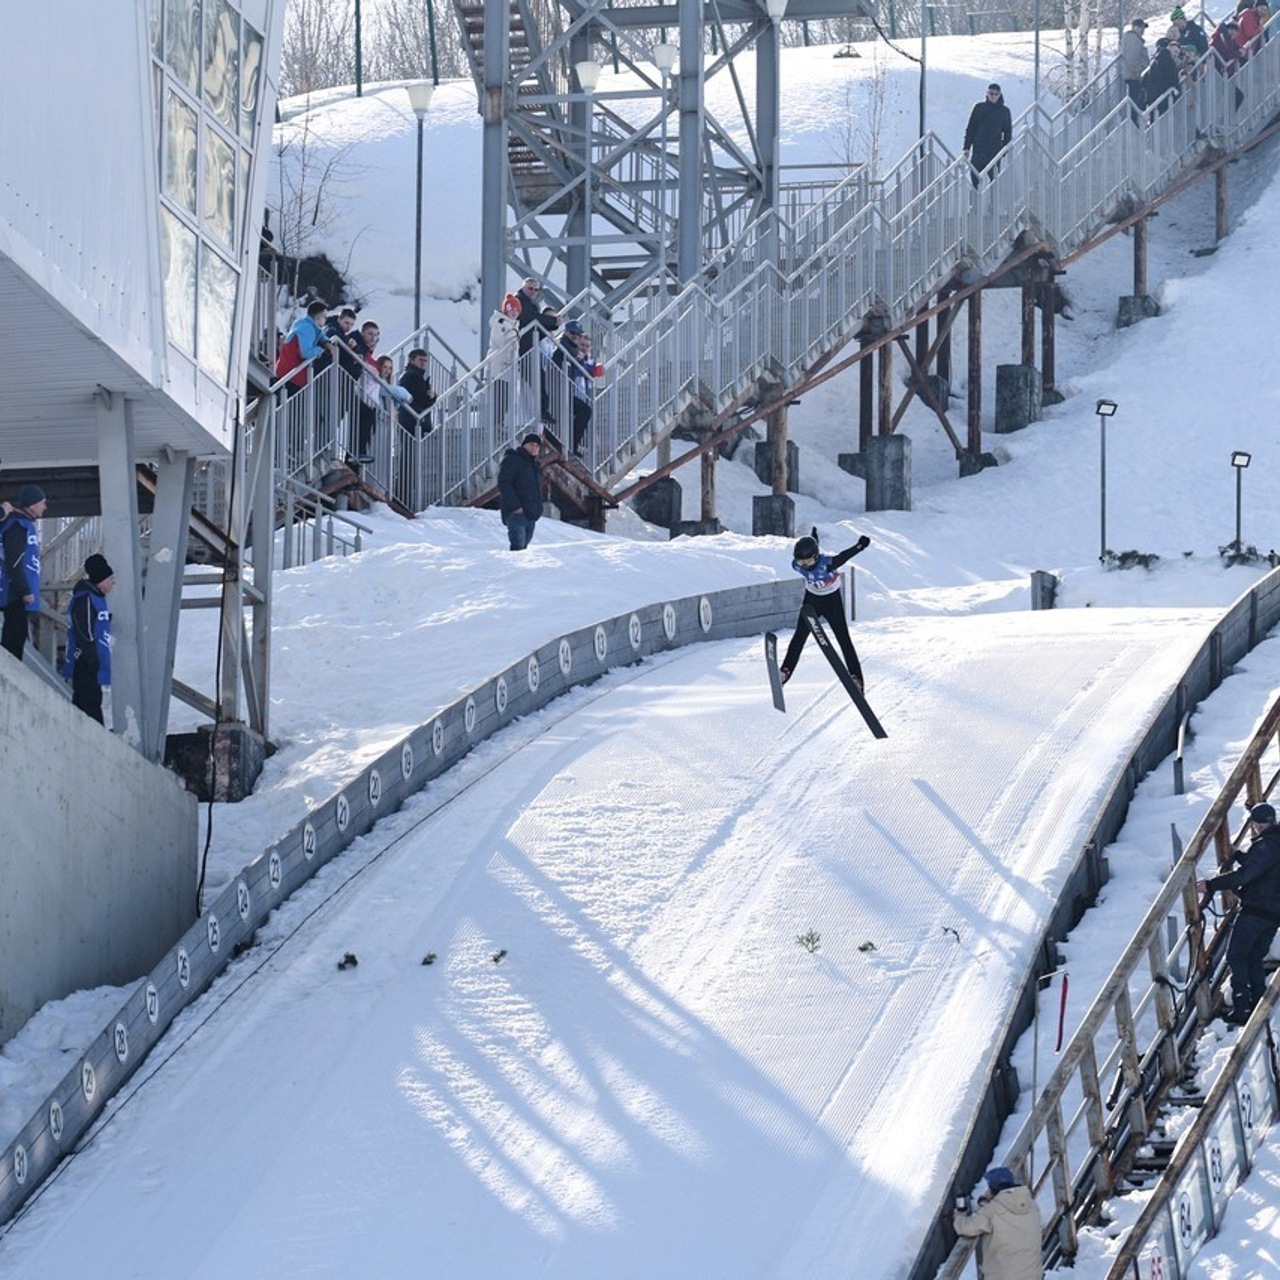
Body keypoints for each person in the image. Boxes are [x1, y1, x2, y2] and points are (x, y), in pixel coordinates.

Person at [1197, 803, 1280, 1025]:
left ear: (1256, 825)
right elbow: (1264, 868)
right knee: (1254, 958)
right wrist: (1241, 856)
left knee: (1236, 956)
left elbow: (1246, 875)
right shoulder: (1275, 844)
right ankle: (1258, 1004)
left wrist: (1210, 885)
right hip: (1273, 915)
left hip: (1255, 911)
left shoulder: (1266, 845)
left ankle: (1243, 1006)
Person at [779, 527, 871, 690]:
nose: (805, 566)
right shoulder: (796, 564)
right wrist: (813, 538)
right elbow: (808, 553)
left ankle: (856, 677)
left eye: (808, 562)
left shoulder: (826, 564)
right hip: (812, 599)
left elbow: (843, 557)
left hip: (832, 601)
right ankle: (786, 671)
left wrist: (860, 546)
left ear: (816, 557)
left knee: (844, 639)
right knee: (799, 637)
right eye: (802, 562)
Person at [953, 1166, 1043, 1280]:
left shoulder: (992, 1211)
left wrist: (959, 1217)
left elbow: (966, 1227)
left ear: (992, 1190)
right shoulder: (1032, 1206)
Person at [64, 553, 114, 724]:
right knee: (89, 705)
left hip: (93, 660)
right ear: (101, 580)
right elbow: (84, 629)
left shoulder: (97, 598)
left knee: (88, 703)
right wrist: (91, 656)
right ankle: (97, 745)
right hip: (86, 661)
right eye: (110, 578)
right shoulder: (85, 597)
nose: (113, 582)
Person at [0, 484, 48, 662]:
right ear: (33, 504)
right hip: (15, 594)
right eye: (43, 503)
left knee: (18, 638)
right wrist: (25, 591)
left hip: (18, 592)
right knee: (14, 640)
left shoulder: (25, 524)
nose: (45, 507)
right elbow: (15, 560)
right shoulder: (18, 524)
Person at [275, 300, 334, 398]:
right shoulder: (307, 328)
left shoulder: (305, 324)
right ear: (318, 317)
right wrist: (322, 350)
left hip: (290, 374)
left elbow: (320, 335)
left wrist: (327, 342)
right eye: (325, 317)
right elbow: (305, 352)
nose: (325, 320)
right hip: (291, 376)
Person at [497, 433, 544, 551]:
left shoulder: (534, 465)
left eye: (537, 446)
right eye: (531, 444)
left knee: (524, 548)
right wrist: (516, 506)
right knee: (518, 548)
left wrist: (538, 509)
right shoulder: (513, 459)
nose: (534, 448)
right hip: (516, 513)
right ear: (524, 445)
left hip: (531, 513)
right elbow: (504, 483)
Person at [564, 321, 604, 457]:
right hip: (570, 393)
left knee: (584, 418)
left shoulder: (590, 361)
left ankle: (579, 445)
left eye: (587, 346)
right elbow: (577, 369)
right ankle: (572, 445)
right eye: (582, 345)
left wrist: (595, 369)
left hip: (583, 395)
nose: (584, 348)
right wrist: (593, 370)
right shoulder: (574, 354)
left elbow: (590, 369)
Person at [963, 83, 1013, 184]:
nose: (993, 96)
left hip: (994, 153)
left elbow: (1008, 133)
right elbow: (971, 128)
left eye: (996, 94)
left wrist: (1003, 151)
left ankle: (993, 200)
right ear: (987, 94)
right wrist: (967, 147)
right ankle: (977, 199)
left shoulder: (1004, 111)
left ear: (1000, 95)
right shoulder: (979, 108)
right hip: (978, 151)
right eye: (991, 93)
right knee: (975, 180)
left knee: (994, 183)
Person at [488, 294, 522, 431]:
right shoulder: (500, 322)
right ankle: (496, 424)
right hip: (499, 365)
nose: (514, 312)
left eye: (517, 310)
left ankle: (500, 423)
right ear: (506, 310)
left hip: (508, 365)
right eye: (512, 309)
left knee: (505, 397)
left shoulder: (513, 325)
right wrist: (512, 337)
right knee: (499, 397)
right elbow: (500, 341)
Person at [398, 348, 437, 435]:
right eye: (420, 360)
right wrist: (432, 396)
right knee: (413, 447)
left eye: (425, 360)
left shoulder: (410, 375)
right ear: (411, 360)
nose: (423, 363)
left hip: (410, 421)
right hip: (415, 423)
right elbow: (424, 401)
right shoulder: (413, 376)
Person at [1142, 38, 1183, 114]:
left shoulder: (1156, 58)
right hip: (1161, 97)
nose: (1175, 54)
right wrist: (1177, 88)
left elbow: (1144, 79)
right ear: (1169, 48)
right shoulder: (1167, 60)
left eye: (1177, 53)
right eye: (1175, 51)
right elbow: (1173, 78)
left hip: (1152, 97)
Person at [1121, 18, 1151, 113]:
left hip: (1134, 76)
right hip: (1134, 77)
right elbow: (1132, 59)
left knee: (1136, 104)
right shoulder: (1133, 39)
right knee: (1136, 104)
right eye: (1141, 27)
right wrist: (1140, 72)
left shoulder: (1133, 39)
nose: (1143, 30)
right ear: (1135, 27)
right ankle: (1135, 125)